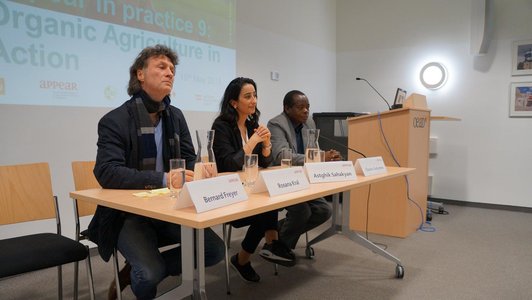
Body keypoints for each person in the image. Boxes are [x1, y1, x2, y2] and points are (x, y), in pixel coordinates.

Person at [87, 44, 225, 300]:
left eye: (172, 69)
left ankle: (134, 271)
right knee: (150, 273)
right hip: (127, 214)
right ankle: (145, 270)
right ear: (140, 74)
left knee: (214, 251)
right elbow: (106, 171)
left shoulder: (175, 116)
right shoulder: (115, 120)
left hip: (169, 207)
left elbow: (188, 160)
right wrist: (163, 179)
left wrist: (201, 169)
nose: (170, 73)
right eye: (162, 67)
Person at [211, 77, 295, 283]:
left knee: (269, 198)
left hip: (249, 189)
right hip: (228, 194)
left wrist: (266, 144)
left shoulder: (252, 124)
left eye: (255, 95)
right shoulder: (221, 126)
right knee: (263, 209)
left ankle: (269, 245)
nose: (253, 101)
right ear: (233, 102)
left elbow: (265, 163)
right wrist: (253, 142)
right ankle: (247, 257)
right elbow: (229, 164)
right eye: (248, 96)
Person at [267, 90, 342, 250]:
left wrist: (330, 159)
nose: (306, 111)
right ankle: (281, 248)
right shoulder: (276, 124)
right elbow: (282, 155)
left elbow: (314, 152)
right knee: (302, 212)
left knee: (323, 211)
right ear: (287, 108)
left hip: (305, 180)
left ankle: (278, 232)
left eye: (307, 107)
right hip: (283, 180)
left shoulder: (310, 124)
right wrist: (321, 156)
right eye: (300, 107)